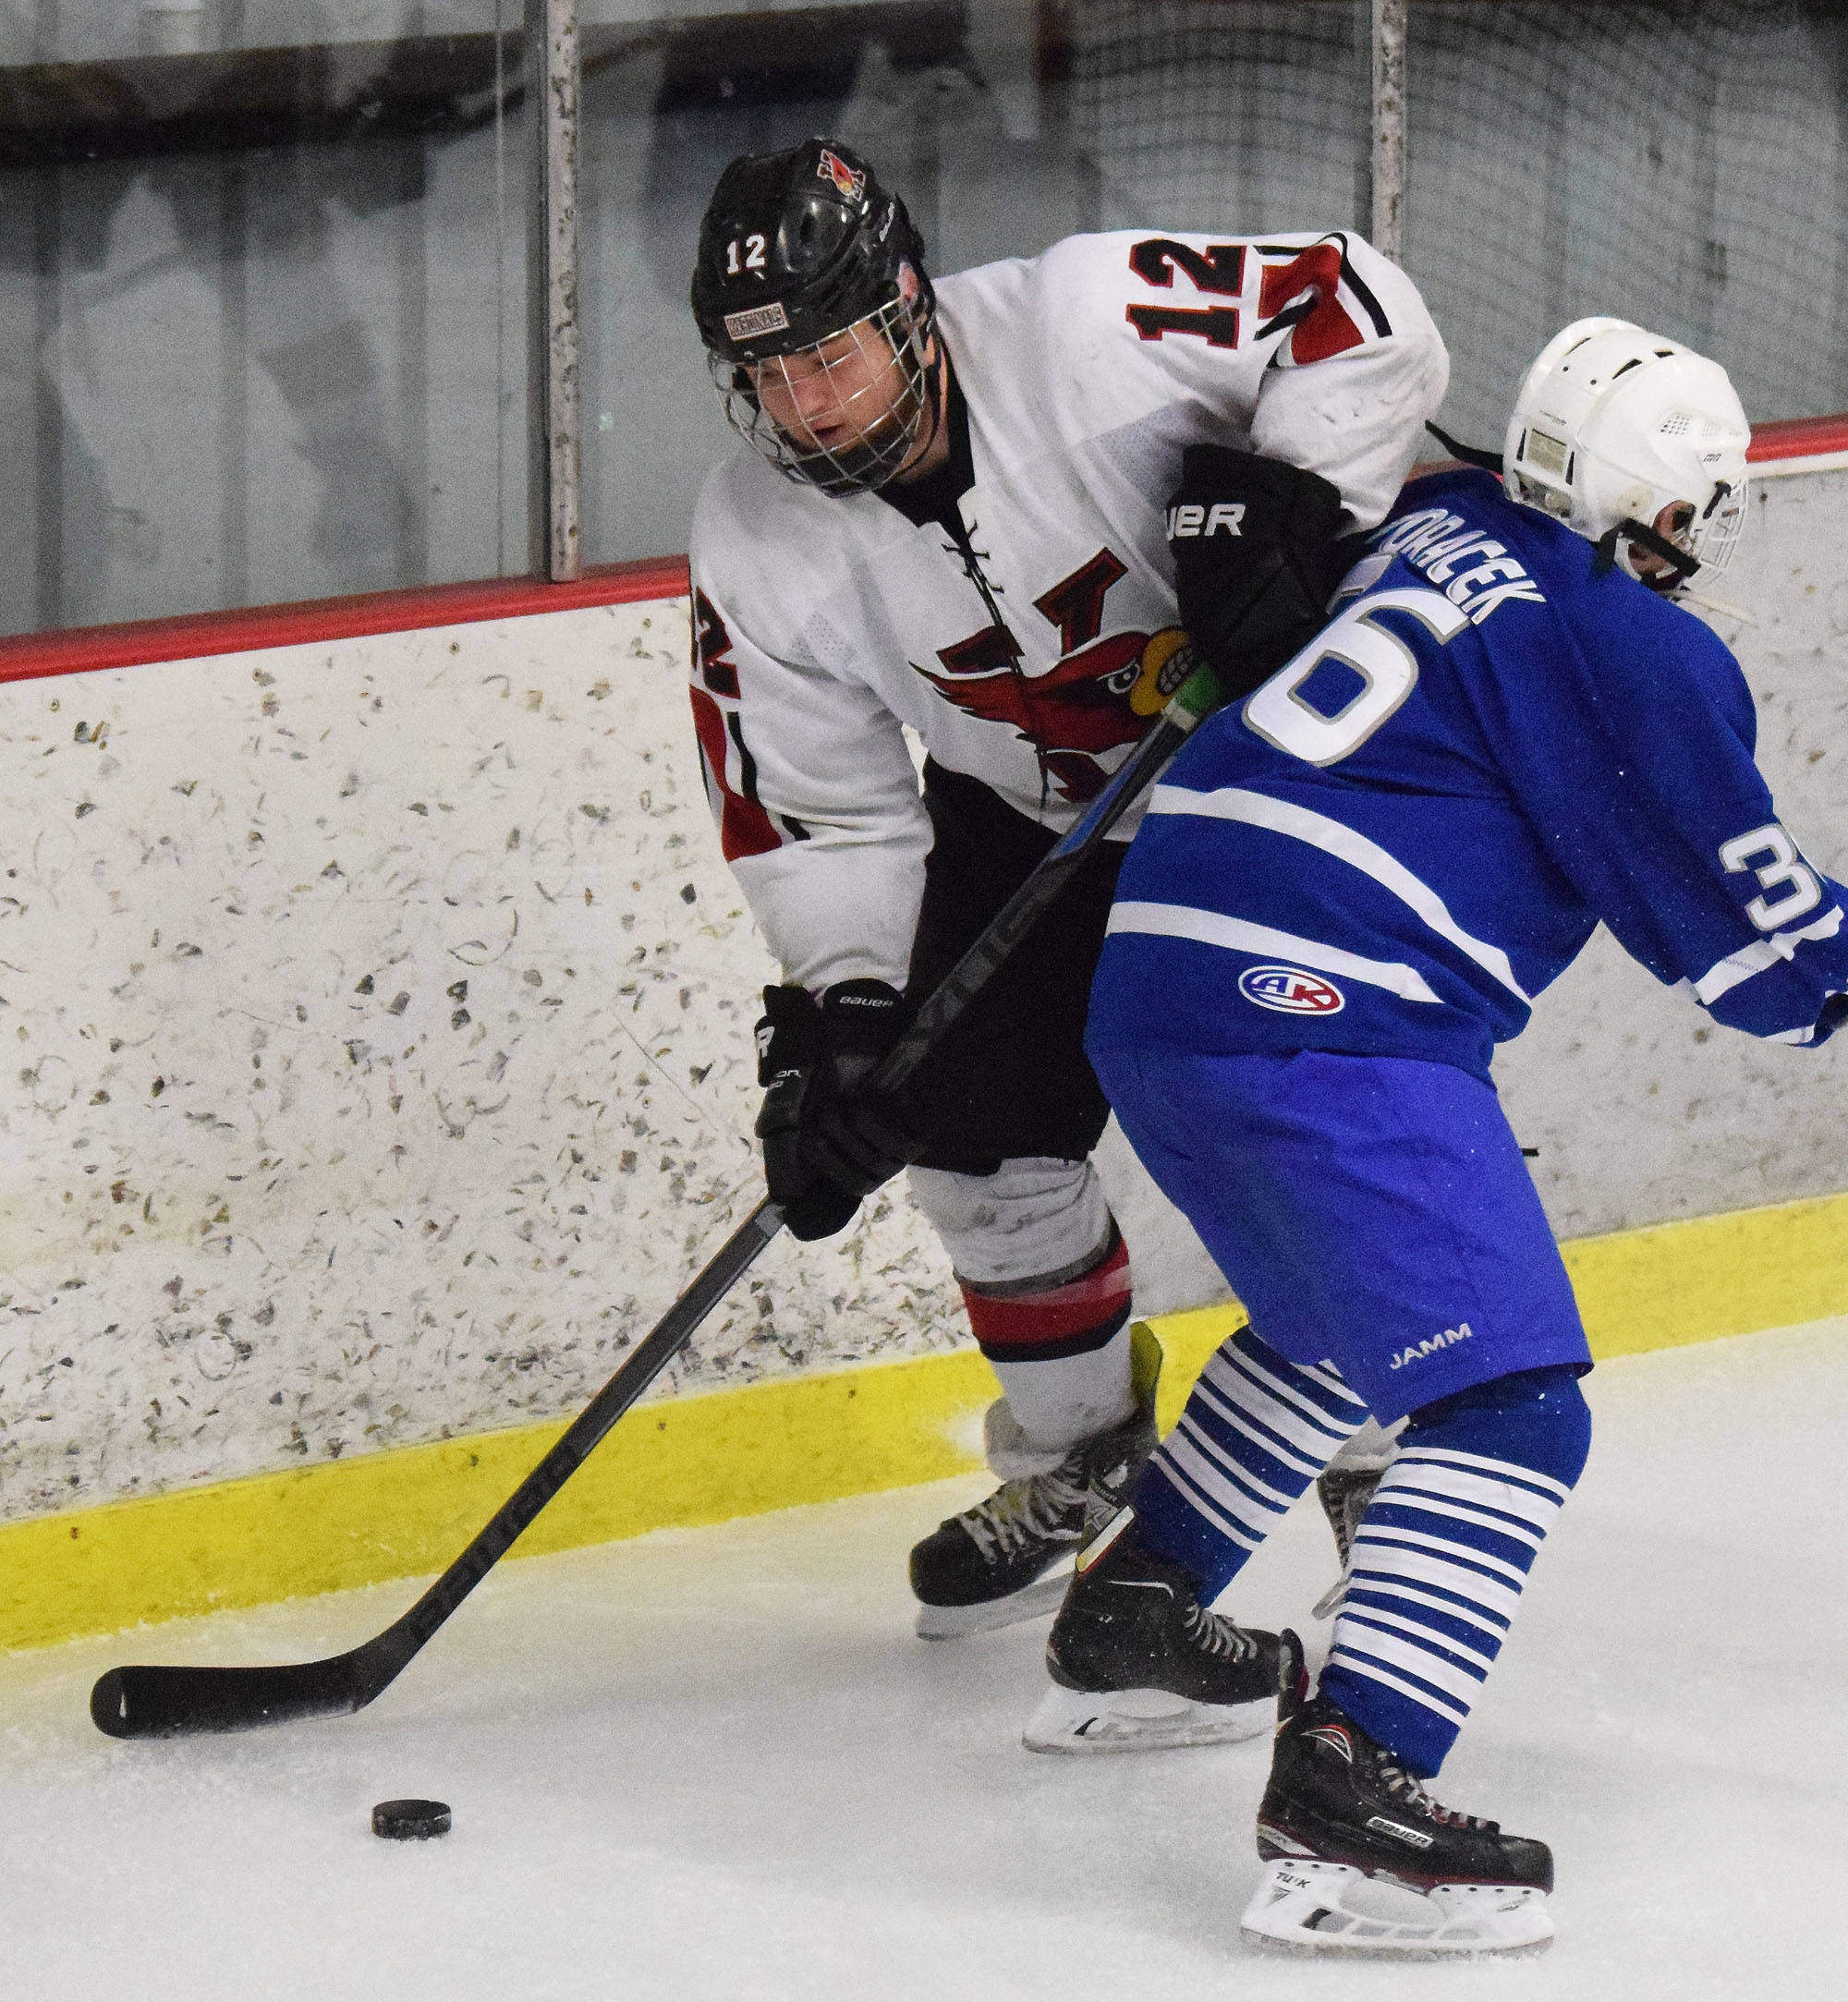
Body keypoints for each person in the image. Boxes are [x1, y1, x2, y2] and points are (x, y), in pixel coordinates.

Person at [1065, 317, 1848, 1954]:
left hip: (1156, 983)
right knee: (1511, 1406)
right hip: (1320, 1018)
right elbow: (1766, 957)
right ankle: (1350, 1790)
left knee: (1349, 1323)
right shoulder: (1621, 637)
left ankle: (1141, 1604)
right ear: (1668, 511)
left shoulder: (1437, 518)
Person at [685, 138, 1448, 1667]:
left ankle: (1382, 1460)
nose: (806, 406)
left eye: (831, 355)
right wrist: (847, 1010)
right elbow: (814, 800)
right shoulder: (753, 535)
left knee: (1288, 1113)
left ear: (906, 307)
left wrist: (1289, 493)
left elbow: (1354, 305)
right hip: (1034, 814)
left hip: (1269, 782)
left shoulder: (1087, 319)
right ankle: (1082, 1449)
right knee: (953, 1118)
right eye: (767, 377)